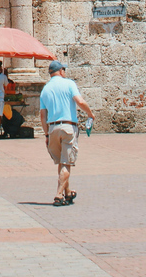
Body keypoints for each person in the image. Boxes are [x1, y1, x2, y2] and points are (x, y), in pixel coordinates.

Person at [39, 61, 94, 206]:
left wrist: (46, 135)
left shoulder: (45, 89)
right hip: (68, 127)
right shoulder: (69, 84)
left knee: (62, 162)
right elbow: (79, 101)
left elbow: (42, 116)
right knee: (66, 163)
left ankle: (68, 193)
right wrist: (90, 113)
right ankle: (58, 195)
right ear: (61, 71)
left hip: (52, 129)